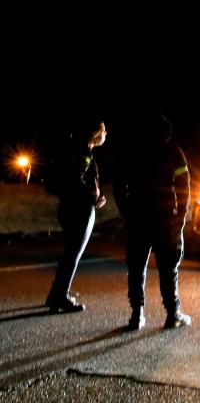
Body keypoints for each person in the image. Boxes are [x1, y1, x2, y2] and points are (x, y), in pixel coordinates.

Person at [114, 113, 192, 330]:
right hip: (166, 219)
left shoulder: (131, 153)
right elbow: (184, 186)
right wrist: (181, 215)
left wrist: (127, 212)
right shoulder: (174, 153)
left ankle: (136, 315)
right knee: (168, 268)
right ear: (166, 133)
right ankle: (172, 314)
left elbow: (119, 187)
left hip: (138, 218)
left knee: (136, 267)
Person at [45, 120, 108, 313]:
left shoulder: (73, 150)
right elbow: (75, 179)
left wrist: (96, 194)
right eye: (104, 130)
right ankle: (60, 296)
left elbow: (76, 179)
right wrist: (91, 194)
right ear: (96, 133)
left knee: (70, 253)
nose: (106, 134)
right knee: (73, 254)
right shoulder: (83, 152)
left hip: (67, 207)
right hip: (80, 209)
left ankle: (56, 294)